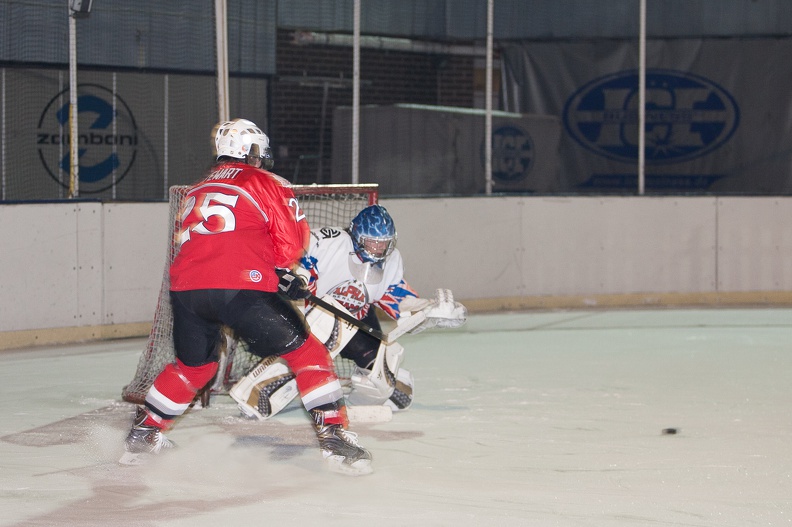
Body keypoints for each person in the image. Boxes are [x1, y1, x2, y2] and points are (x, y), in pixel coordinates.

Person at [121, 118, 372, 476]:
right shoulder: (264, 181)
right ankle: (336, 440)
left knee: (196, 368)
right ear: (251, 151)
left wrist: (268, 269)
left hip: (186, 290)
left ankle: (143, 436)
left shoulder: (196, 189)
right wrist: (281, 270)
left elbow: (215, 241)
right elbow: (290, 243)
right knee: (308, 353)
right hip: (239, 288)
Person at [229, 204, 468, 420]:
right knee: (326, 326)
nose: (378, 249)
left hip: (355, 321)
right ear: (356, 236)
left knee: (383, 380)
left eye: (383, 243)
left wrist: (429, 311)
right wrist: (297, 277)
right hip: (299, 318)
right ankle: (259, 389)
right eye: (372, 242)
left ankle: (373, 390)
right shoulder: (330, 241)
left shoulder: (392, 260)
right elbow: (292, 262)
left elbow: (400, 300)